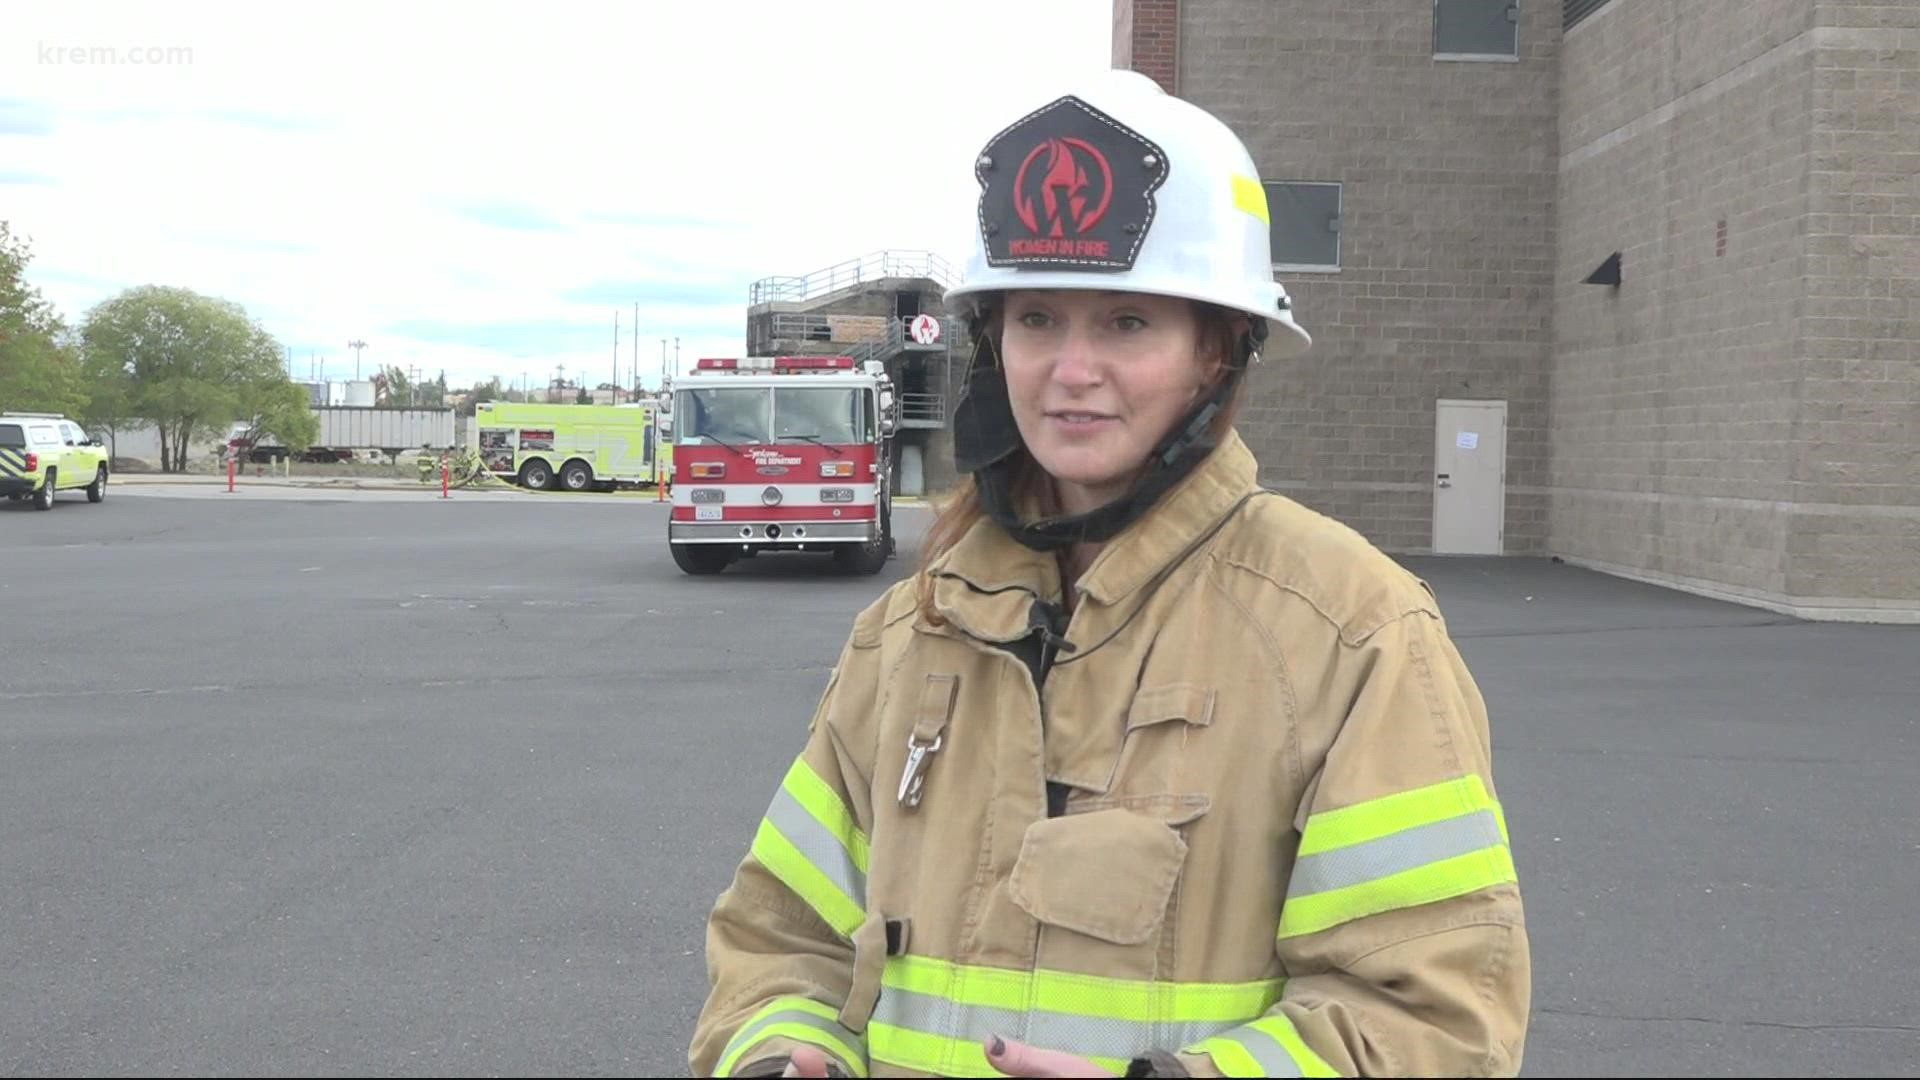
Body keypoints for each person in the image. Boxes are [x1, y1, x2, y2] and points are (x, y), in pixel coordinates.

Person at [689, 69, 1531, 1078]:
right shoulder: (908, 634)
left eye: (1126, 323)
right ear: (992, 343)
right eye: (1038, 318)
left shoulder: (1354, 633)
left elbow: (1438, 1019)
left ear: (1216, 351)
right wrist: (781, 1050)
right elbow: (782, 939)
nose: (1071, 369)